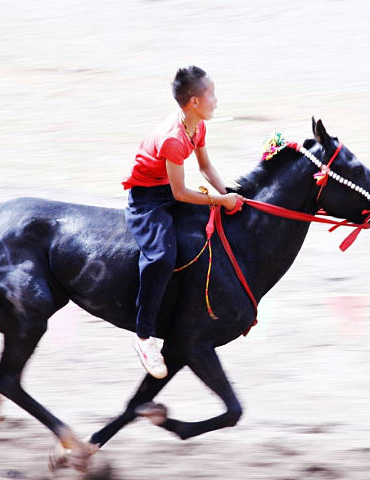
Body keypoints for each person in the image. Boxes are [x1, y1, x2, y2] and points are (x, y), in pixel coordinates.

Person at [122, 66, 241, 379]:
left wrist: (228, 194)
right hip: (149, 198)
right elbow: (180, 192)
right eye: (211, 95)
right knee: (161, 257)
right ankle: (144, 336)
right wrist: (220, 201)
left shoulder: (197, 126)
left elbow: (205, 166)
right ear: (194, 103)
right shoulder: (174, 139)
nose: (216, 100)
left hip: (170, 190)